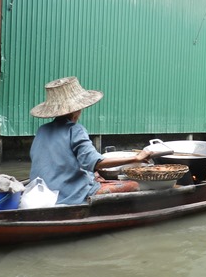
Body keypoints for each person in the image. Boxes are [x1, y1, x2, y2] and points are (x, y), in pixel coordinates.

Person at [29, 76, 154, 205]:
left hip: (40, 194)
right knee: (134, 185)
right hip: (69, 195)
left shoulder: (42, 130)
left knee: (95, 176)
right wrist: (137, 158)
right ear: (77, 110)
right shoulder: (75, 130)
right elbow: (97, 163)